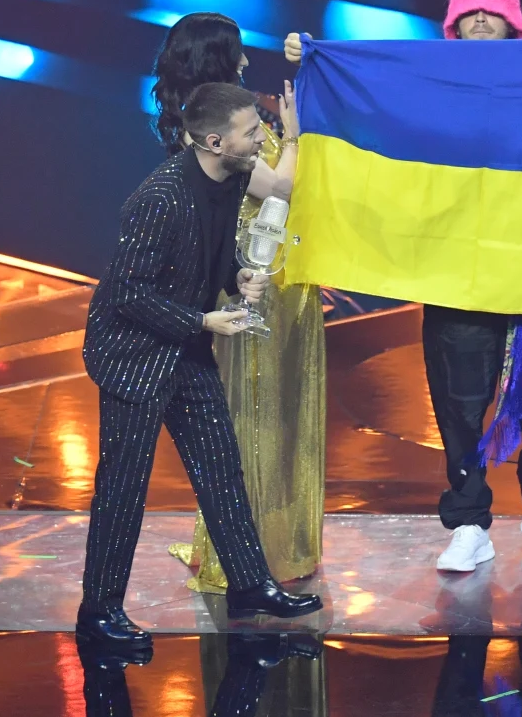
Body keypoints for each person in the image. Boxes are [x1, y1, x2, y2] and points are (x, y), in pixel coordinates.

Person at [284, 0, 522, 574]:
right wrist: (313, 57)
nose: (481, 18)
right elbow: (370, 103)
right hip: (452, 269)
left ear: (514, 24)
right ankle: (469, 520)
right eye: (470, 11)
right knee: (460, 400)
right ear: (452, 24)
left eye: (492, 10)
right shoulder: (426, 82)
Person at [79, 80, 321, 651]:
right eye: (251, 131)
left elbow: (208, 252)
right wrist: (204, 321)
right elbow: (127, 294)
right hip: (134, 356)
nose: (261, 138)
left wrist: (236, 275)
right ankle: (99, 612)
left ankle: (249, 586)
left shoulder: (232, 176)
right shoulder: (159, 198)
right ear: (214, 142)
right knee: (123, 488)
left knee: (220, 469)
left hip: (185, 347)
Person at [151, 13, 328, 589]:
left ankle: (270, 540)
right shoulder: (214, 129)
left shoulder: (231, 114)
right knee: (255, 409)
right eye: (239, 52)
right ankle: (249, 553)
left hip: (281, 269)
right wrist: (294, 135)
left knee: (276, 406)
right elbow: (278, 187)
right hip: (256, 277)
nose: (248, 60)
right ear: (217, 58)